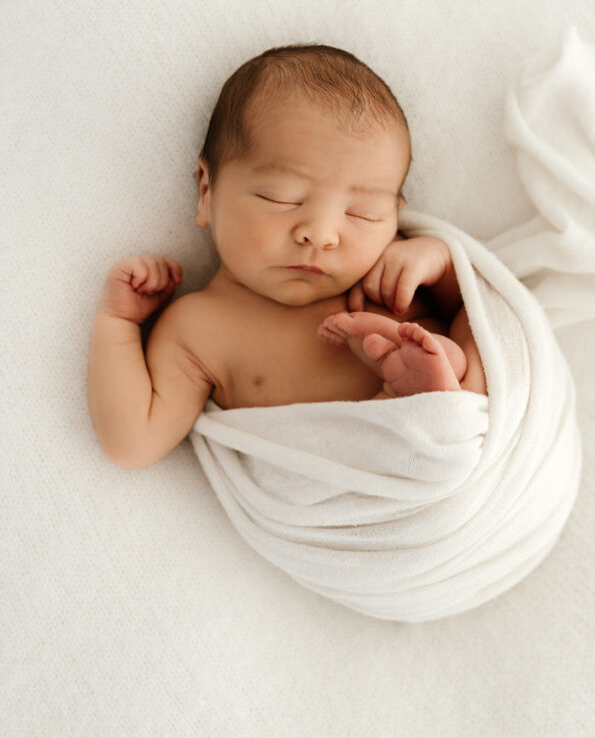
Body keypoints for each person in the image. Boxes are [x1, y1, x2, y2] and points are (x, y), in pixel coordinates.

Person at [87, 44, 487, 470]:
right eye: (281, 198)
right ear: (207, 192)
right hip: (351, 481)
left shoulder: (390, 266)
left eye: (362, 213)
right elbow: (132, 444)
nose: (321, 234)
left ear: (393, 216)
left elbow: (481, 309)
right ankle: (419, 405)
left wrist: (441, 262)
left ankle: (442, 398)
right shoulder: (197, 328)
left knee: (473, 350)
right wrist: (118, 324)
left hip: (454, 453)